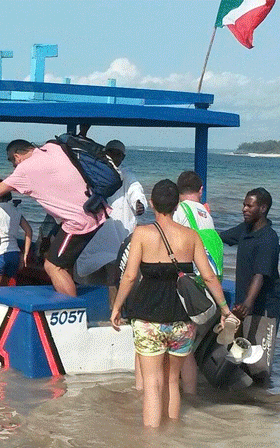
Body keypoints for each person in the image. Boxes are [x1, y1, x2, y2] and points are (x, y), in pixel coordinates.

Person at [110, 179, 234, 428]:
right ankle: (174, 438)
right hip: (181, 320)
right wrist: (224, 309)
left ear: (152, 203)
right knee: (170, 381)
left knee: (153, 385)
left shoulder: (142, 234)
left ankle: (153, 442)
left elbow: (130, 276)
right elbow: (208, 276)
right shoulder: (191, 236)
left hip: (148, 320)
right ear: (177, 204)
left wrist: (116, 308)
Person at [0, 139, 105, 297]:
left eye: (12, 162)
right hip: (96, 208)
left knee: (53, 266)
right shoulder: (53, 148)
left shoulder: (25, 168)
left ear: (17, 156)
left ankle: (70, 309)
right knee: (62, 264)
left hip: (77, 221)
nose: (14, 166)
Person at [220, 187, 280, 382]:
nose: (244, 209)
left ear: (262, 208)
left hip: (264, 309)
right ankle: (243, 406)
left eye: (249, 205)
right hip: (243, 307)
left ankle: (264, 405)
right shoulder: (245, 231)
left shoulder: (268, 238)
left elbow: (260, 275)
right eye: (244, 204)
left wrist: (247, 303)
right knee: (243, 357)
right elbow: (221, 236)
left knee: (260, 365)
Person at [172, 171, 223, 394]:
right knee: (187, 347)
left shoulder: (179, 211)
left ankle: (175, 392)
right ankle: (191, 394)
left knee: (178, 348)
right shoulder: (206, 212)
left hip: (187, 286)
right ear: (200, 190)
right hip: (207, 287)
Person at [74, 139, 146, 297]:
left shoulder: (126, 175)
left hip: (118, 235)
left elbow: (135, 189)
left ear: (123, 157)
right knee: (90, 279)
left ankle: (115, 312)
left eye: (118, 154)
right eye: (111, 152)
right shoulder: (92, 170)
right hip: (95, 235)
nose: (114, 156)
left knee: (115, 276)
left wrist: (139, 203)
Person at [0, 183, 32, 287]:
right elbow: (28, 230)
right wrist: (25, 254)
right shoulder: (16, 210)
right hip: (14, 253)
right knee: (6, 290)